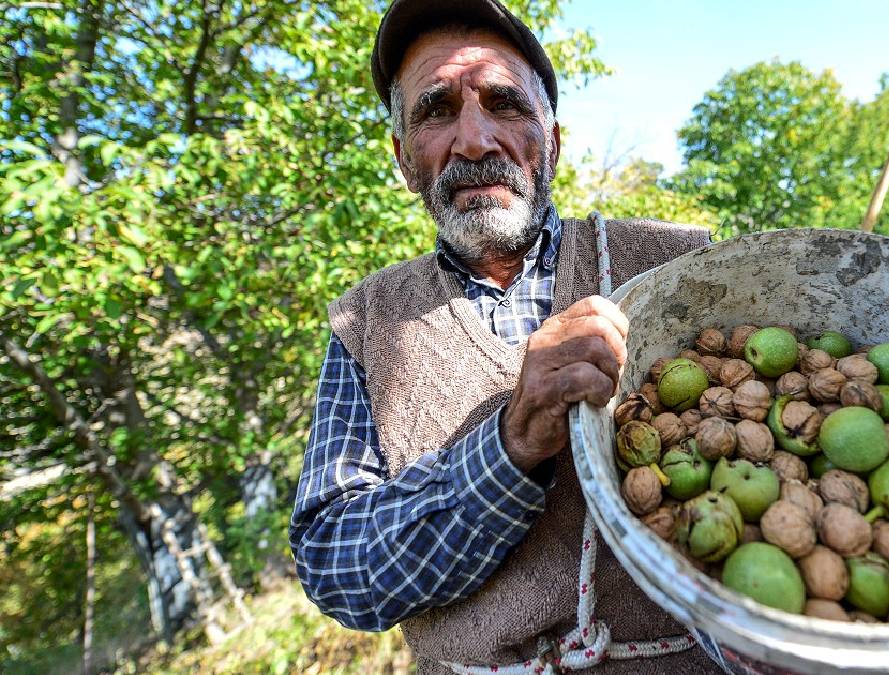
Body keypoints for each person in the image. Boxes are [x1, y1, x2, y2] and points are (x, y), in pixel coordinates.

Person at [288, 1, 723, 672]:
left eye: (504, 102)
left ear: (552, 141)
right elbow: (335, 569)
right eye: (435, 110)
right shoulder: (365, 322)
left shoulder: (677, 265)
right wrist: (511, 445)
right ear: (405, 159)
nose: (473, 140)